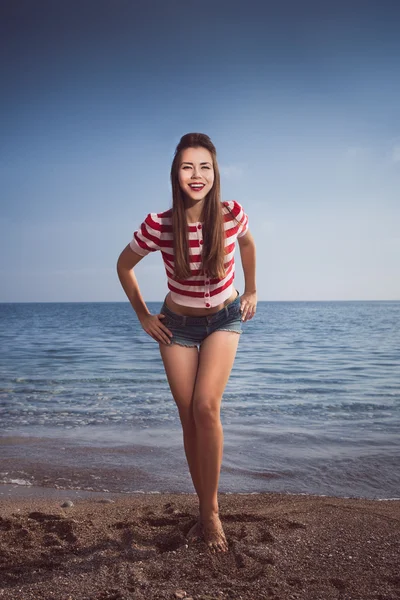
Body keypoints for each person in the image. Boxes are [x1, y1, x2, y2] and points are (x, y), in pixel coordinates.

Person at [116, 132, 257, 553]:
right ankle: (203, 505)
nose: (196, 175)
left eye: (205, 167)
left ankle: (210, 512)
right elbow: (124, 266)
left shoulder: (232, 214)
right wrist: (143, 315)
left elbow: (248, 245)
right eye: (187, 167)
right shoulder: (159, 225)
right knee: (187, 416)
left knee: (205, 406)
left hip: (224, 318)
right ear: (175, 174)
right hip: (176, 324)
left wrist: (253, 290)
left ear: (215, 173)